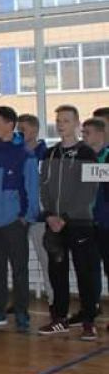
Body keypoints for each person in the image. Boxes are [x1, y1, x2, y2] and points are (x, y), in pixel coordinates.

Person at [37, 105, 100, 341]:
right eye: (58, 120)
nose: (61, 124)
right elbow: (43, 187)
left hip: (80, 223)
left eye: (66, 120)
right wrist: (49, 215)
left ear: (76, 124)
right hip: (54, 224)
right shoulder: (49, 154)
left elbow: (89, 191)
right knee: (57, 273)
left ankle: (89, 321)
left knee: (85, 273)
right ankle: (59, 319)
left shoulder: (88, 154)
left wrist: (65, 217)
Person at [0, 106, 39, 332]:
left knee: (19, 269)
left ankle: (21, 312)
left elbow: (32, 188)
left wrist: (26, 217)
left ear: (10, 124)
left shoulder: (25, 154)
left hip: (14, 222)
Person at [17, 114, 53, 310]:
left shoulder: (46, 154)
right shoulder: (16, 153)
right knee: (18, 260)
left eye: (24, 129)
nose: (20, 133)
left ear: (35, 129)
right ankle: (20, 300)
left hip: (40, 215)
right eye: (18, 129)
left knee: (46, 258)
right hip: (19, 214)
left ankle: (53, 299)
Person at [83, 117, 109, 334]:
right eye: (82, 133)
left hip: (106, 223)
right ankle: (90, 312)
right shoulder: (85, 158)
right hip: (88, 222)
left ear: (101, 134)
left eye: (87, 133)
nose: (83, 137)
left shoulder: (106, 156)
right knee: (90, 270)